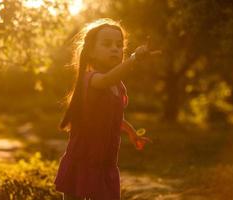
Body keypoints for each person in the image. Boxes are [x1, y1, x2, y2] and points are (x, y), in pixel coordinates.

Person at [54, 18, 160, 200]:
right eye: (107, 44)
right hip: (84, 159)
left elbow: (115, 118)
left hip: (105, 161)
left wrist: (132, 133)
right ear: (91, 53)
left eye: (119, 45)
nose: (115, 49)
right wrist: (134, 58)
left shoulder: (118, 86)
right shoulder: (92, 79)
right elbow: (106, 79)